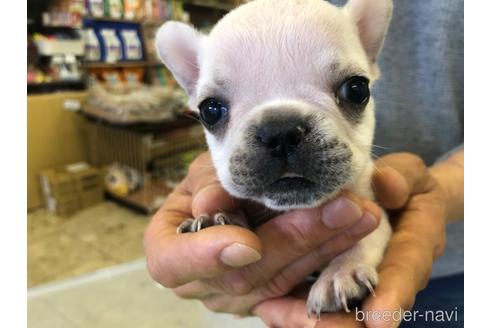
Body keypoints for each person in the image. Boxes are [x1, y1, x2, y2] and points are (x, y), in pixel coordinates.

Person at [144, 0, 463, 327]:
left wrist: (356, 256)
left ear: (370, 58)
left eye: (350, 91)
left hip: (453, 272)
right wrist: (214, 246)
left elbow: (374, 222)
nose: (281, 139)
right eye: (215, 111)